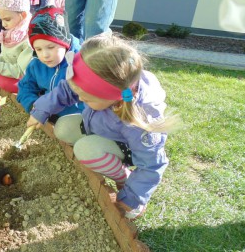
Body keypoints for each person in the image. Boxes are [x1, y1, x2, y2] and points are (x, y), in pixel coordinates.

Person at [25, 33, 180, 220]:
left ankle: (123, 177)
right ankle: (96, 153)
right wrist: (40, 111)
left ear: (112, 98)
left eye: (87, 98)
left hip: (125, 147)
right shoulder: (100, 87)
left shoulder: (139, 124)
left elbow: (152, 165)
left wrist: (130, 199)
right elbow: (67, 90)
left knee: (85, 149)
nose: (80, 99)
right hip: (98, 126)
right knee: (63, 127)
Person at [17, 6, 83, 121]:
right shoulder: (36, 64)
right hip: (48, 114)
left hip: (76, 117)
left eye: (51, 47)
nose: (44, 55)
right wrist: (33, 105)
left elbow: (72, 93)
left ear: (65, 43)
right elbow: (25, 86)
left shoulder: (80, 63)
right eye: (38, 49)